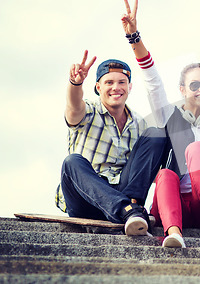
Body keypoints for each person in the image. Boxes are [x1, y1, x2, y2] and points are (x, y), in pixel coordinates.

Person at [121, 0, 200, 248]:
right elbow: (153, 82)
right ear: (182, 89)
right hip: (174, 206)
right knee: (166, 174)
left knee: (196, 149)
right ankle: (174, 234)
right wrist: (134, 38)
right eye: (194, 85)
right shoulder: (171, 117)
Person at [56, 52, 168, 236]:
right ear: (98, 87)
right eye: (109, 83)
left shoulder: (139, 123)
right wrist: (75, 83)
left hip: (122, 191)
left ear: (129, 87)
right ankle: (128, 210)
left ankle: (131, 208)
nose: (116, 87)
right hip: (85, 199)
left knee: (156, 134)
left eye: (121, 82)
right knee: (71, 162)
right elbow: (74, 106)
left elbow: (145, 168)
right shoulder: (88, 112)